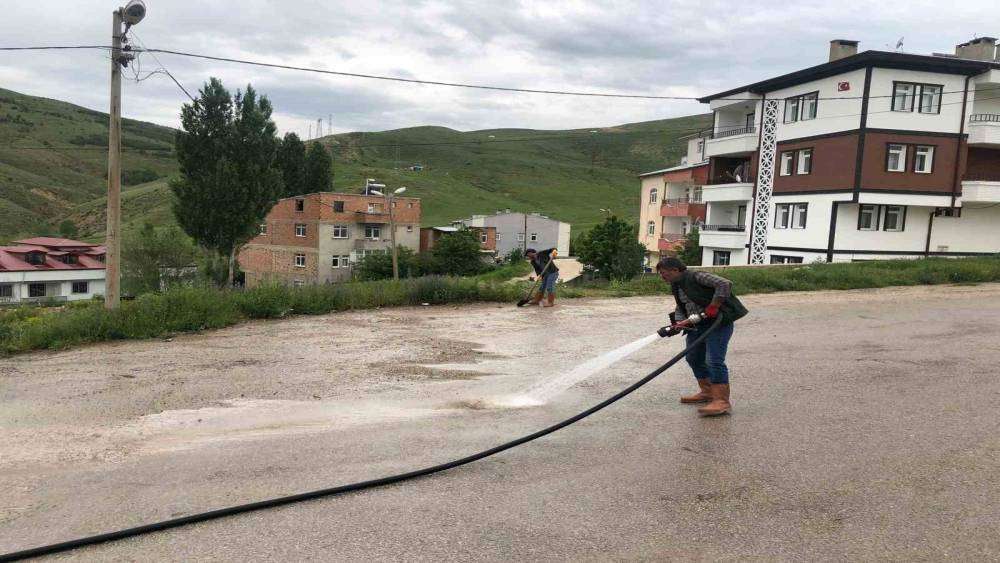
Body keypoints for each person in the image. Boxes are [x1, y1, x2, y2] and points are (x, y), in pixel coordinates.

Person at [655, 257, 748, 416]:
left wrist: (714, 305)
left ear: (675, 270)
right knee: (693, 358)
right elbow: (682, 306)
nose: (662, 277)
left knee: (714, 360)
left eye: (664, 273)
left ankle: (722, 401)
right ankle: (708, 392)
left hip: (718, 324)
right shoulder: (677, 284)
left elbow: (725, 284)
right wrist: (678, 324)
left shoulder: (696, 276)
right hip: (697, 325)